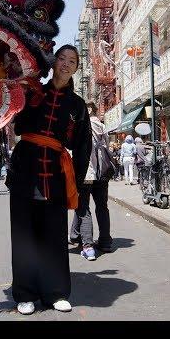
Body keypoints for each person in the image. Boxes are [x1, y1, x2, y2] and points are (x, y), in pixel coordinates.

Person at [6, 44, 91, 315]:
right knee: (24, 235)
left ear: (77, 68)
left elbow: (83, 144)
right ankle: (25, 293)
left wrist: (76, 180)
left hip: (55, 170)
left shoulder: (77, 105)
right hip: (25, 166)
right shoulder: (33, 90)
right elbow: (16, 125)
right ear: (53, 63)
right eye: (62, 58)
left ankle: (55, 292)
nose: (66, 64)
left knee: (54, 235)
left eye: (72, 61)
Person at [70, 102, 112, 261]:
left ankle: (88, 246)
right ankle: (105, 241)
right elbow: (107, 147)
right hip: (102, 172)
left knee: (83, 207)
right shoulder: (101, 126)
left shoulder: (81, 125)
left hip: (86, 172)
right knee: (102, 206)